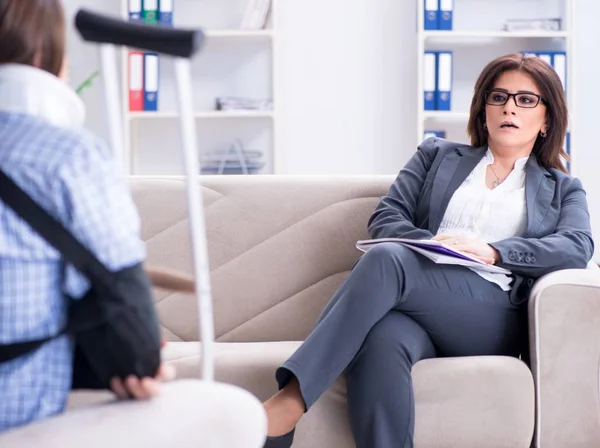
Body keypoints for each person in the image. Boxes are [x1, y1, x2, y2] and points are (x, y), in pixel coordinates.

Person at [261, 52, 594, 448]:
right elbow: (388, 216)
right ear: (482, 109)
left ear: (547, 120)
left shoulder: (562, 187)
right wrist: (433, 248)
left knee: (387, 258)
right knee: (382, 338)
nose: (509, 108)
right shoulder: (435, 155)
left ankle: (292, 399)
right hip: (421, 297)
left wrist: (492, 251)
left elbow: (577, 246)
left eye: (525, 100)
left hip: (492, 314)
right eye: (498, 97)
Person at [0, 0, 174, 433]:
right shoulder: (69, 158)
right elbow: (134, 340)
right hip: (18, 417)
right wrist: (135, 364)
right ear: (42, 54)